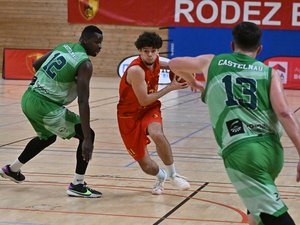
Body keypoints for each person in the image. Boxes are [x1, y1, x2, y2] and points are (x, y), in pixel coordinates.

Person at [169, 21, 300, 225]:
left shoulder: (212, 61)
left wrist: (194, 82)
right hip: (273, 151)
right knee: (255, 213)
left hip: (243, 152)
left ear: (232, 45)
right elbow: (284, 112)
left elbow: (174, 63)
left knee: (274, 216)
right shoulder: (268, 72)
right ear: (259, 48)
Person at [0, 25, 104, 198]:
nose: (100, 46)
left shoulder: (64, 46)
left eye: (101, 43)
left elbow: (35, 64)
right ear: (85, 40)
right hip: (44, 106)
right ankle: (77, 185)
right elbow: (83, 101)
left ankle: (12, 170)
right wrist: (86, 138)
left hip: (28, 98)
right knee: (88, 134)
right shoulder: (84, 63)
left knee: (47, 137)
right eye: (97, 42)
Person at [117, 31, 191, 195]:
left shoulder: (158, 61)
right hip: (128, 115)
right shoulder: (136, 70)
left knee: (157, 134)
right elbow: (143, 100)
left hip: (149, 109)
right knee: (147, 166)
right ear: (140, 51)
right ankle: (161, 176)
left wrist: (191, 79)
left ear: (158, 51)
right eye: (146, 51)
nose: (150, 55)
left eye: (153, 51)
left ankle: (173, 175)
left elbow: (176, 65)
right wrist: (170, 87)